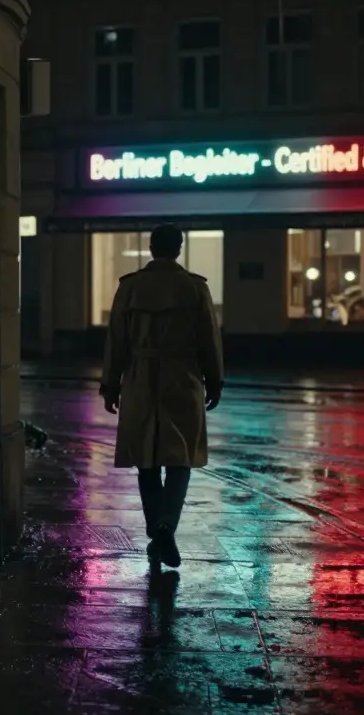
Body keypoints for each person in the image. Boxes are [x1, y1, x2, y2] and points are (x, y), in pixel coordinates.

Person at [100, 224, 225, 569]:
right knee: (181, 457)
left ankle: (156, 528)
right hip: (182, 377)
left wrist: (111, 384)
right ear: (179, 248)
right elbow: (209, 340)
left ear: (151, 247)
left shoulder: (130, 287)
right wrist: (214, 380)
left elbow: (116, 340)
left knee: (147, 459)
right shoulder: (194, 287)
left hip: (140, 377)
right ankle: (167, 524)